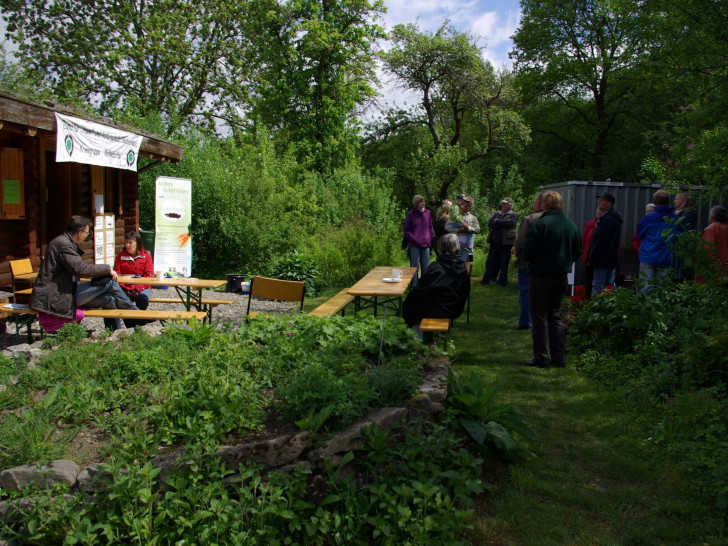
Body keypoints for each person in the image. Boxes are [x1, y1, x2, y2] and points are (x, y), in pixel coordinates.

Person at [30, 215, 139, 332]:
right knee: (109, 283)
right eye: (86, 233)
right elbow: (81, 269)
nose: (86, 236)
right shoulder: (63, 244)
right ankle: (137, 315)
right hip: (55, 296)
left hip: (62, 292)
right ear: (79, 232)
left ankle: (114, 332)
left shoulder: (63, 242)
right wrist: (107, 269)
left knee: (109, 298)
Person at [522, 191, 582, 368]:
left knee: (539, 317)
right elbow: (577, 250)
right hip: (560, 276)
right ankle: (558, 358)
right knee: (555, 316)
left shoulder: (540, 225)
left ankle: (541, 357)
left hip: (540, 276)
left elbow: (528, 251)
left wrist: (535, 263)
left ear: (544, 205)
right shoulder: (571, 226)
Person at [402, 234, 471, 336]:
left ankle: (413, 338)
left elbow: (420, 289)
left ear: (441, 248)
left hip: (439, 309)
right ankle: (427, 338)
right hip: (455, 308)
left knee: (409, 307)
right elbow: (466, 290)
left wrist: (411, 298)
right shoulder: (462, 267)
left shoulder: (437, 266)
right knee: (415, 305)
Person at [636, 190, 678, 293]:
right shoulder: (675, 219)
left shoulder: (648, 218)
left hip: (648, 256)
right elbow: (678, 237)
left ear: (655, 202)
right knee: (663, 290)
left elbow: (639, 235)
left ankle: (644, 308)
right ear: (668, 201)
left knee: (645, 288)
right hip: (665, 257)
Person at [513, 193, 543, 330]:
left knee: (525, 292)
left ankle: (526, 321)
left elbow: (520, 241)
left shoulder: (530, 219)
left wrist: (518, 255)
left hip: (527, 262)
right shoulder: (558, 219)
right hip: (547, 264)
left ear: (538, 204)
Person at [114, 231, 155, 328]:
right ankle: (136, 325)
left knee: (142, 299)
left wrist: (137, 289)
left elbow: (149, 276)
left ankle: (137, 323)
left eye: (130, 242)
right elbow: (116, 275)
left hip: (143, 288)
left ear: (138, 243)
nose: (127, 245)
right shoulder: (120, 256)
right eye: (126, 242)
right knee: (123, 301)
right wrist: (127, 290)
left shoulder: (146, 255)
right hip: (125, 288)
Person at [586, 192, 623, 294]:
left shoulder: (607, 219)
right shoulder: (614, 218)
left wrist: (593, 256)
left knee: (598, 285)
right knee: (609, 285)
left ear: (609, 203)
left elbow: (600, 240)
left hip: (602, 259)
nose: (599, 202)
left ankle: (595, 308)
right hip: (610, 259)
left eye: (602, 200)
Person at [481, 197, 518, 286]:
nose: (503, 205)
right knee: (490, 262)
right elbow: (490, 223)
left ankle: (502, 282)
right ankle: (486, 280)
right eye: (502, 203)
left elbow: (512, 224)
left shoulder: (514, 215)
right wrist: (504, 222)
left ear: (510, 205)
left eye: (505, 204)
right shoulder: (497, 213)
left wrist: (497, 221)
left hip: (506, 244)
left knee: (504, 263)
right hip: (495, 242)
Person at [403, 194, 435, 287]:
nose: (423, 203)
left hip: (426, 244)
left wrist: (430, 237)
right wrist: (413, 238)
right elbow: (406, 229)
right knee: (414, 267)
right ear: (416, 203)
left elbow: (430, 226)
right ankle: (414, 286)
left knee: (426, 267)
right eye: (421, 202)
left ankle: (424, 287)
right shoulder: (411, 213)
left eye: (424, 201)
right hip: (414, 244)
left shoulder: (427, 213)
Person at [697, 205, 728, 286]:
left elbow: (708, 249)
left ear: (713, 216)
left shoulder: (710, 229)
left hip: (714, 269)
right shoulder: (725, 228)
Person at [671, 192, 698, 282]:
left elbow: (687, 232)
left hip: (680, 247)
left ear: (683, 201)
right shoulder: (676, 212)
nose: (674, 201)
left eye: (677, 199)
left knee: (678, 272)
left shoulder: (687, 214)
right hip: (675, 246)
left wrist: (673, 235)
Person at [446, 195, 480, 262]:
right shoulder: (456, 216)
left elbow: (477, 230)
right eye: (466, 205)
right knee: (454, 261)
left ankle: (465, 272)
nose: (468, 207)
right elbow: (447, 227)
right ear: (462, 204)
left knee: (467, 263)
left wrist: (468, 228)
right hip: (455, 243)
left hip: (468, 245)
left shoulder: (473, 218)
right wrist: (458, 230)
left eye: (469, 206)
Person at [581, 208, 601, 299]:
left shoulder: (607, 224)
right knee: (589, 281)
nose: (598, 212)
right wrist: (583, 255)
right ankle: (588, 300)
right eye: (597, 210)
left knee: (599, 281)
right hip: (589, 259)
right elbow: (584, 240)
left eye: (600, 210)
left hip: (600, 260)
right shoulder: (590, 224)